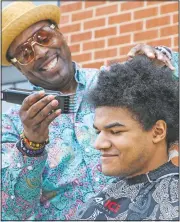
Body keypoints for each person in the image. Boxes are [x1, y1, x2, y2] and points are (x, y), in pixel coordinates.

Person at [2, 1, 178, 220]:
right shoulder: (12, 126)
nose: (39, 52)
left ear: (60, 34)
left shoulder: (116, 83)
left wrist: (162, 61)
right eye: (25, 53)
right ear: (20, 68)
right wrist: (31, 146)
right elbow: (12, 213)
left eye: (43, 37)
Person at [75, 55, 179, 221]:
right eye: (98, 132)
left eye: (115, 132)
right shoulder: (99, 199)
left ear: (158, 132)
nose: (98, 144)